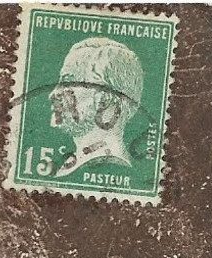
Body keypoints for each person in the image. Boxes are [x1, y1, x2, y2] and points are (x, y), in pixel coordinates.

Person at [49, 38, 144, 174]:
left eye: (68, 82)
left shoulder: (108, 169)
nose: (53, 94)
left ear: (104, 99)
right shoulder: (76, 164)